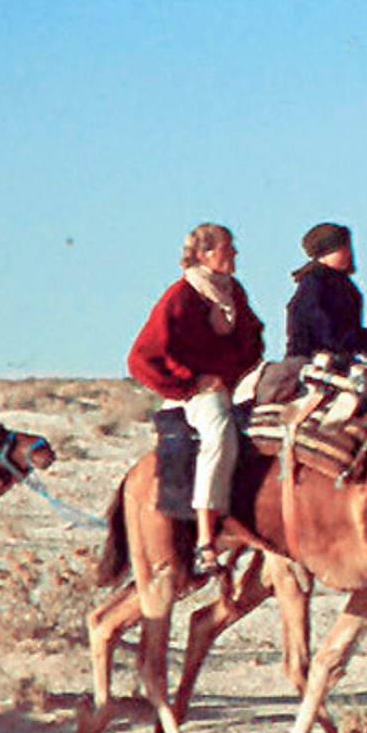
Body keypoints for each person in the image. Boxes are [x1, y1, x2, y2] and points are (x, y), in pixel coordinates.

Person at [128, 223, 266, 577]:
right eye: (226, 248)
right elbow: (141, 358)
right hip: (198, 393)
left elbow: (251, 337)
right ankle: (207, 536)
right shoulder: (181, 295)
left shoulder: (231, 291)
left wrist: (241, 366)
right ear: (205, 254)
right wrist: (190, 382)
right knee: (219, 434)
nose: (233, 253)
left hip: (231, 383)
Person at [283, 222, 367, 416]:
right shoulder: (314, 286)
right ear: (327, 251)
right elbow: (333, 337)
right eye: (343, 247)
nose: (349, 253)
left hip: (339, 357)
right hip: (313, 362)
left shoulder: (340, 283)